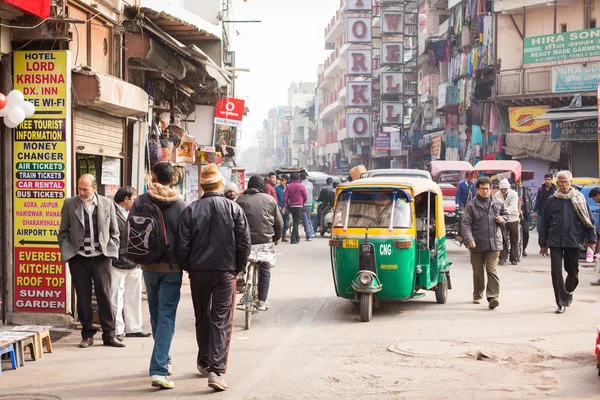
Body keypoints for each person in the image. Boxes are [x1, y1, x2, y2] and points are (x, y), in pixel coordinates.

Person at [177, 164, 251, 392]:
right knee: (221, 319)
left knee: (202, 316)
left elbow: (182, 246)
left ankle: (204, 360)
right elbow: (244, 243)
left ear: (202, 186)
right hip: (224, 271)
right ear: (219, 184)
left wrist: (189, 267)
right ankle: (216, 370)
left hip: (199, 272)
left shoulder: (191, 210)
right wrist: (237, 268)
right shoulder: (233, 208)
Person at [130, 162, 187, 389]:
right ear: (172, 179)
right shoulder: (181, 205)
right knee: (166, 318)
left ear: (153, 177)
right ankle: (159, 369)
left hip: (147, 267)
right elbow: (186, 239)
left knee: (155, 316)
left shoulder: (141, 201)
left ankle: (164, 359)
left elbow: (131, 230)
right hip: (172, 269)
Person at [57, 174, 124, 348]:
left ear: (94, 188)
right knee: (83, 297)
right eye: (79, 188)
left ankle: (109, 335)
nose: (81, 192)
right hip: (79, 258)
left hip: (102, 258)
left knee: (105, 297)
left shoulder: (107, 203)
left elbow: (114, 231)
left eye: (85, 189)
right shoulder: (70, 204)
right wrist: (68, 251)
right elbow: (63, 232)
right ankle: (87, 334)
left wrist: (111, 249)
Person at [539, 170, 596, 314]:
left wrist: (592, 241)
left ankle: (568, 290)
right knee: (556, 272)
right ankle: (561, 302)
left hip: (573, 239)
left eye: (566, 181)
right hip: (555, 240)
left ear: (571, 182)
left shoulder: (579, 198)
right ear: (557, 183)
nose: (563, 184)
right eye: (561, 182)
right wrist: (543, 244)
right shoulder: (552, 200)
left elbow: (588, 221)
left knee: (573, 273)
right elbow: (544, 223)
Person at [236, 175, 283, 311]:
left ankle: (241, 278)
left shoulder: (240, 200)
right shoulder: (269, 199)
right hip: (264, 242)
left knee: (239, 264)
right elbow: (279, 223)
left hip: (244, 243)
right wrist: (276, 238)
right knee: (265, 268)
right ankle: (262, 300)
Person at [110, 186, 150, 341]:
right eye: (133, 198)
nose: (135, 201)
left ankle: (133, 327)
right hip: (118, 261)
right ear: (126, 199)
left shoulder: (134, 212)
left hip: (134, 260)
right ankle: (117, 329)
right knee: (116, 297)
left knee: (133, 296)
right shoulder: (111, 211)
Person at [462, 177, 508, 310]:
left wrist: (502, 219)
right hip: (476, 243)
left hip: (494, 243)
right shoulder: (471, 205)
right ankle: (478, 294)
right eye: (482, 189)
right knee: (478, 271)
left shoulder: (498, 203)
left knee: (491, 269)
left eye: (488, 189)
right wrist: (469, 239)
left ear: (491, 189)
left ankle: (493, 297)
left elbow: (506, 215)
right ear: (477, 189)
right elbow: (466, 224)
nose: (486, 191)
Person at [495, 179, 520, 266]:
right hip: (502, 220)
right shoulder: (497, 195)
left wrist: (504, 213)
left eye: (505, 189)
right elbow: (496, 206)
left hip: (513, 218)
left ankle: (514, 258)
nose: (503, 190)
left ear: (508, 188)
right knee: (502, 239)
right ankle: (502, 258)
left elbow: (512, 206)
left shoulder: (514, 194)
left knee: (514, 239)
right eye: (501, 189)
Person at [283, 173, 308, 245]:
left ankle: (297, 237)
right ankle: (293, 238)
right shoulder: (301, 186)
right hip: (299, 206)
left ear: (291, 179)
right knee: (296, 222)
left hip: (291, 206)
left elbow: (285, 197)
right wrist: (303, 202)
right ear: (299, 179)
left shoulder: (288, 186)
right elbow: (305, 196)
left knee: (295, 221)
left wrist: (284, 206)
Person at [455, 172, 476, 239]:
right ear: (466, 177)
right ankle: (460, 234)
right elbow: (458, 194)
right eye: (470, 178)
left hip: (471, 204)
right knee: (462, 217)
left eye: (472, 178)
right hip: (462, 203)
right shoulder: (461, 184)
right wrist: (457, 204)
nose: (471, 180)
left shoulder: (474, 184)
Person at [275, 175, 291, 242]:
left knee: (286, 223)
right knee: (280, 223)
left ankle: (284, 236)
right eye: (280, 180)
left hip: (287, 208)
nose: (280, 181)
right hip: (280, 208)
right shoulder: (277, 188)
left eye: (282, 180)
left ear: (286, 181)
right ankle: (278, 236)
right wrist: (278, 206)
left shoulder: (289, 187)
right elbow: (275, 198)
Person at [300, 172, 314, 241]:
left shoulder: (301, 185)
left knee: (305, 220)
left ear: (300, 178)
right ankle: (312, 232)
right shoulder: (311, 184)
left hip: (303, 204)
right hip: (310, 203)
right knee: (308, 218)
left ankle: (309, 236)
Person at [521, 189, 531, 257]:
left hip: (524, 216)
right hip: (511, 215)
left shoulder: (525, 191)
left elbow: (529, 203)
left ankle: (523, 249)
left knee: (525, 232)